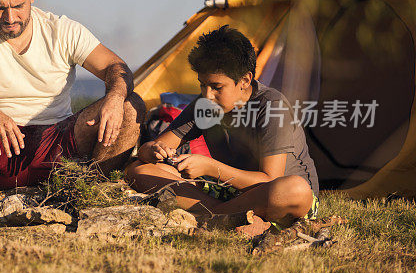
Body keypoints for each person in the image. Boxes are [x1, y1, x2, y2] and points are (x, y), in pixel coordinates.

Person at [0, 0, 146, 226]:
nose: (10, 17)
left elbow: (115, 65)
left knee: (129, 103)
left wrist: (114, 97)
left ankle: (89, 194)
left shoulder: (62, 29)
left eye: (18, 6)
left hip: (59, 141)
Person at [125, 25, 319, 228]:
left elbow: (270, 180)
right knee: (139, 170)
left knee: (294, 189)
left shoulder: (272, 106)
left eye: (217, 87)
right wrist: (153, 151)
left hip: (277, 196)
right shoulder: (205, 106)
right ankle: (222, 216)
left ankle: (212, 215)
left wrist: (211, 167)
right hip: (230, 192)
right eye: (202, 85)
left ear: (244, 80)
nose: (208, 95)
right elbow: (147, 153)